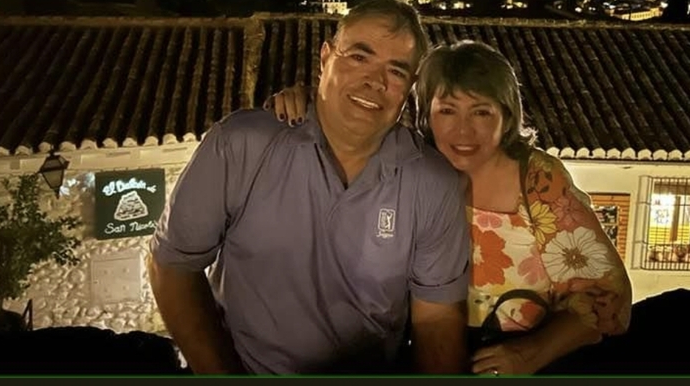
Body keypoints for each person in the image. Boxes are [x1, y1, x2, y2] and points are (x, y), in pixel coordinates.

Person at [148, 0, 471, 375]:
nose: (375, 81)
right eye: (359, 57)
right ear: (325, 58)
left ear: (410, 87)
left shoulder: (432, 184)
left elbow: (437, 319)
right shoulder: (243, 145)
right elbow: (172, 265)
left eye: (396, 72)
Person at [268, 40, 632, 376]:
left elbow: (609, 298)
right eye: (447, 111)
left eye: (481, 112)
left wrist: (529, 354)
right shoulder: (409, 170)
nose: (463, 131)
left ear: (507, 117)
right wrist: (306, 104)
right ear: (425, 116)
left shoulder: (537, 181)